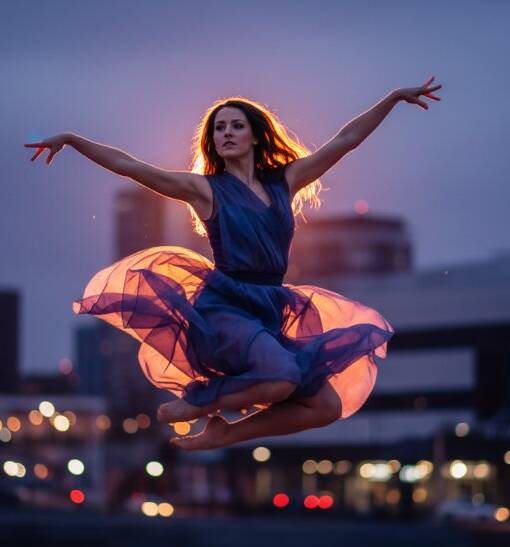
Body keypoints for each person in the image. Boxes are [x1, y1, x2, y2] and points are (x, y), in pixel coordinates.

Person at [25, 77, 443, 450]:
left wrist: (391, 98)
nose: (226, 132)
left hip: (270, 307)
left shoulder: (285, 182)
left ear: (255, 136)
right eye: (219, 127)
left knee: (326, 406)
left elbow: (344, 140)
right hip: (225, 307)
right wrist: (73, 140)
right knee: (281, 380)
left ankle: (228, 432)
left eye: (236, 125)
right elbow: (129, 166)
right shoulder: (204, 190)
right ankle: (201, 398)